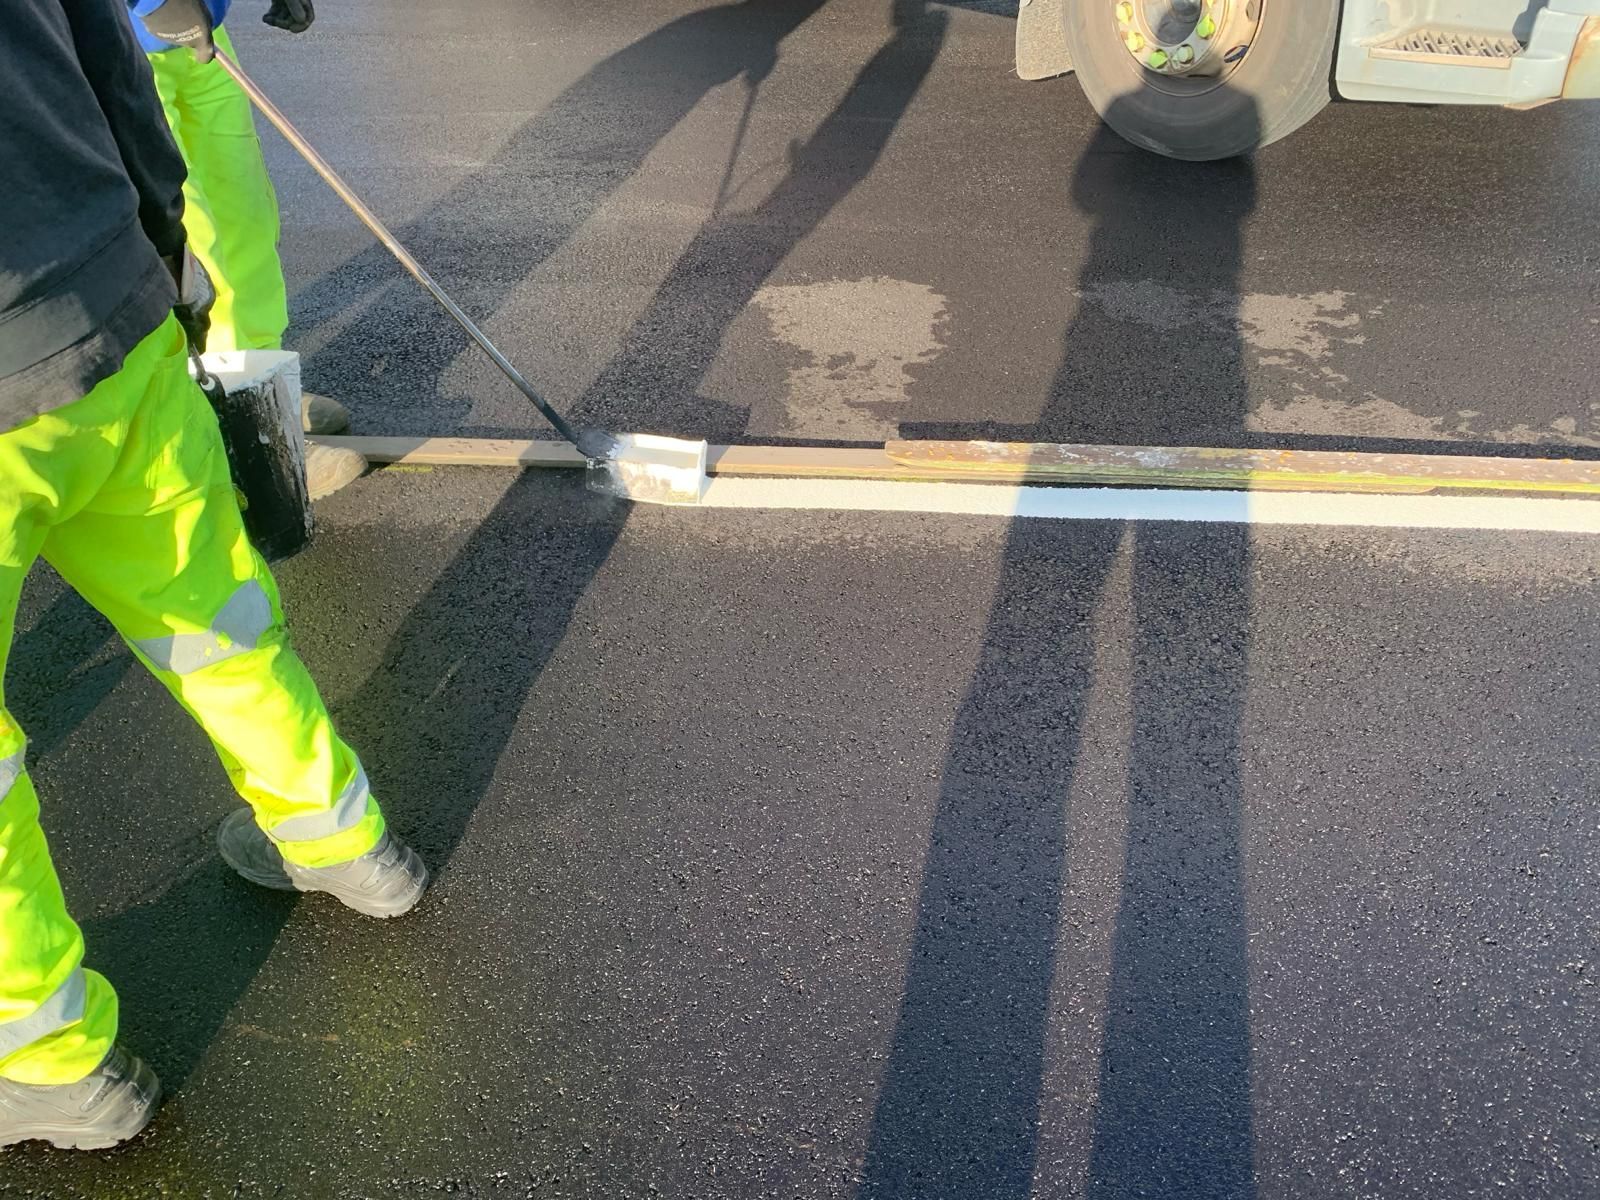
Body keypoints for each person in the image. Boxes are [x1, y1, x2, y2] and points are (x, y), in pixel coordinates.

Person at [0, 0, 426, 1151]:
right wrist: (173, 282)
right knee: (215, 616)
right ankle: (346, 844)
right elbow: (110, 59)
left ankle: (45, 1061)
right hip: (110, 316)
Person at [130, 0, 368, 500]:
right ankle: (240, 428)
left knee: (247, 217)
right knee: (194, 235)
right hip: (122, 39)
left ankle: (267, 384)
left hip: (200, 31)